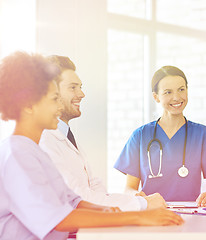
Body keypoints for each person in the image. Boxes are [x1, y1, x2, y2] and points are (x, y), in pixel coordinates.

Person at [0, 52, 183, 240]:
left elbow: (73, 200)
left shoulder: (33, 150)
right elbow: (58, 218)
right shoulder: (17, 154)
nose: (58, 107)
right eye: (53, 99)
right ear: (28, 105)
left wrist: (111, 210)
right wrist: (138, 215)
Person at [39, 55, 165, 211]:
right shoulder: (44, 140)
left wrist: (130, 200)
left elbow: (95, 187)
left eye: (80, 86)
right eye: (73, 87)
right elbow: (76, 198)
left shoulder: (66, 135)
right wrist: (142, 204)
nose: (81, 94)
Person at [114, 66, 206, 206]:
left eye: (181, 89)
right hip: (152, 213)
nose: (176, 97)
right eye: (168, 92)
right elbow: (129, 188)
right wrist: (135, 195)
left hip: (191, 214)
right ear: (156, 97)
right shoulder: (139, 136)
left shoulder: (204, 135)